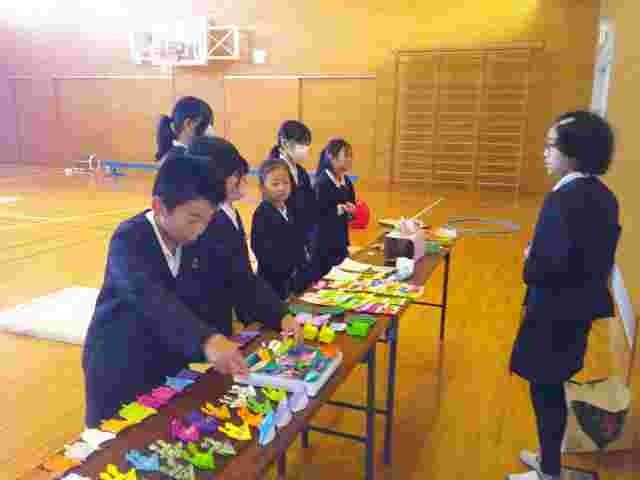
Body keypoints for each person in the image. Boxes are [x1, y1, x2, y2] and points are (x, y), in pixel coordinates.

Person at [83, 153, 247, 427]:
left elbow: (226, 283)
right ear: (159, 206)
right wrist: (207, 340)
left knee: (162, 433)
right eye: (193, 218)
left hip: (165, 358)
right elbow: (149, 296)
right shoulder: (129, 238)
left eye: (207, 220)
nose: (200, 229)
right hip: (118, 363)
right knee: (114, 440)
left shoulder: (192, 240)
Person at [508, 111, 620, 480]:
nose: (545, 152)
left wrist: (530, 258)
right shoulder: (604, 196)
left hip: (553, 312)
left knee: (545, 392)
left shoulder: (563, 199)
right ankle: (548, 457)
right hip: (578, 311)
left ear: (574, 152)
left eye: (551, 145)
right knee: (554, 384)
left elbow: (546, 268)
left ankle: (550, 471)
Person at [187, 135, 297, 330]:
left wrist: (280, 314)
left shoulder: (230, 212)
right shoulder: (207, 220)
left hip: (224, 315)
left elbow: (243, 274)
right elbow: (238, 278)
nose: (243, 180)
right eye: (237, 175)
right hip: (206, 324)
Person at [251, 158, 313, 300]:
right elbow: (261, 251)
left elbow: (299, 243)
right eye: (275, 184)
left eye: (286, 183)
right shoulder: (262, 214)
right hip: (274, 283)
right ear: (262, 187)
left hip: (294, 281)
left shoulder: (290, 210)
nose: (281, 188)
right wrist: (287, 270)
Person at [267, 120, 316, 253]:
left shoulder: (301, 172)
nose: (305, 148)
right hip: (281, 241)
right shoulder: (271, 171)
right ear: (284, 143)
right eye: (301, 143)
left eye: (307, 144)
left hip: (302, 238)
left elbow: (310, 204)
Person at [312, 138, 356, 277]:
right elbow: (317, 215)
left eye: (351, 156)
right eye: (346, 155)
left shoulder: (347, 181)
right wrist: (341, 209)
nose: (349, 159)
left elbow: (350, 212)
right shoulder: (321, 183)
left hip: (341, 241)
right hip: (323, 245)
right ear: (332, 157)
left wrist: (351, 211)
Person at [155, 96, 213, 162]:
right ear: (188, 124)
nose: (210, 130)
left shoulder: (186, 154)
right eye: (205, 124)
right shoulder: (179, 159)